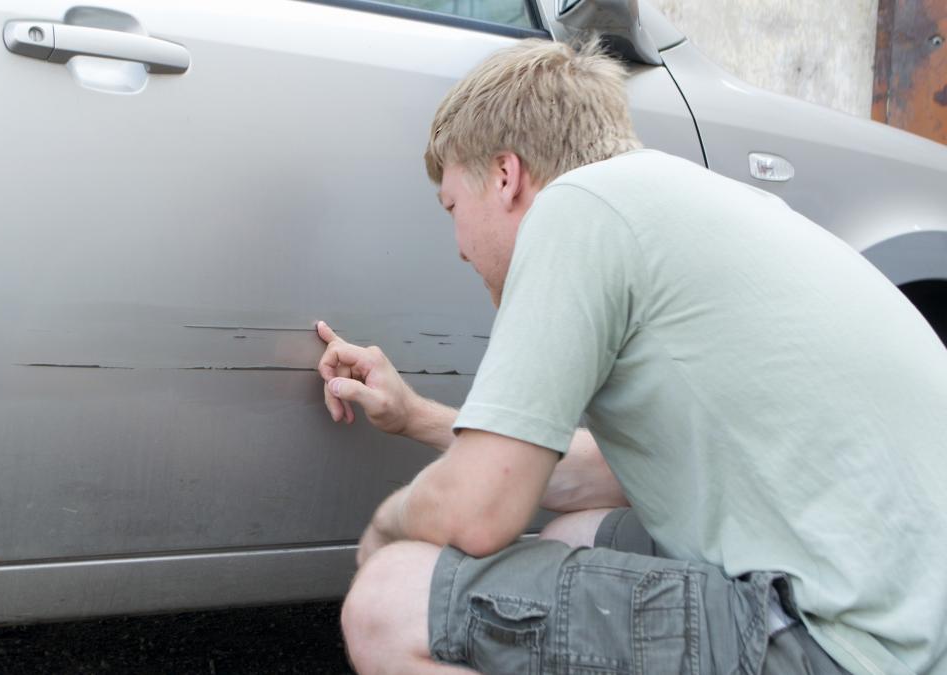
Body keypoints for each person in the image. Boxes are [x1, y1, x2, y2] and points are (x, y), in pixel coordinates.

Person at [314, 39, 947, 675]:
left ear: (506, 176)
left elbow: (480, 512)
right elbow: (613, 474)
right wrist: (414, 415)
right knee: (575, 536)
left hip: (844, 648)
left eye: (453, 205)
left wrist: (386, 525)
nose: (458, 246)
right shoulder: (690, 203)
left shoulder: (576, 208)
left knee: (388, 600)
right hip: (909, 625)